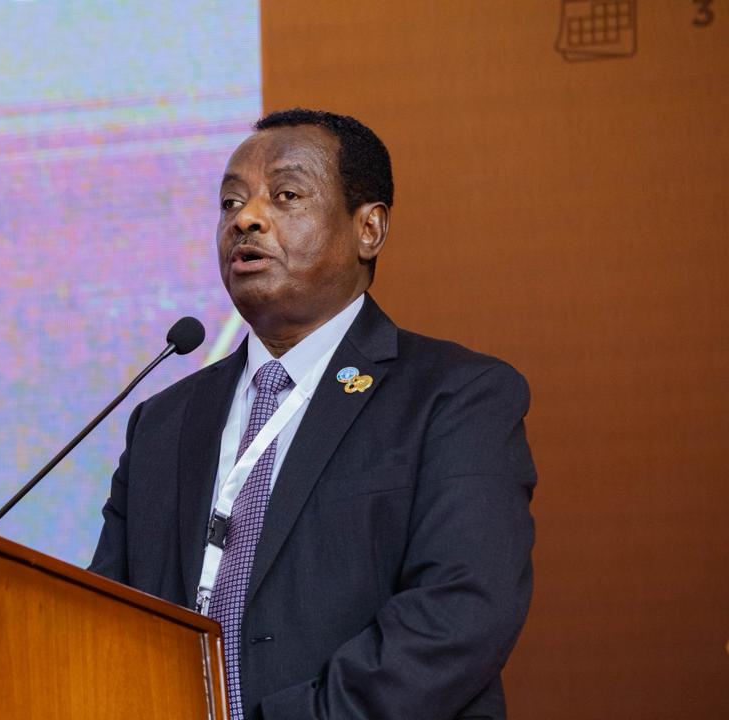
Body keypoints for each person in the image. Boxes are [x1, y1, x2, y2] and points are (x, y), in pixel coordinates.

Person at [89, 108, 536, 720]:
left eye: (286, 195)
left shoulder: (455, 396)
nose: (246, 219)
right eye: (230, 203)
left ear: (369, 229)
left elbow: (460, 611)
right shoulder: (161, 424)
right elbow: (102, 620)